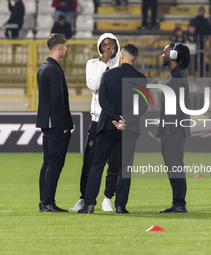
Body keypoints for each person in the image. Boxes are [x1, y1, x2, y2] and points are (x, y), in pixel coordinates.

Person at [78, 44, 148, 214]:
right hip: (129, 129)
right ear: (135, 59)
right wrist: (126, 120)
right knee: (125, 167)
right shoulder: (141, 78)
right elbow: (143, 105)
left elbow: (103, 100)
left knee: (97, 165)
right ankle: (120, 206)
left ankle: (89, 205)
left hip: (107, 126)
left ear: (122, 56)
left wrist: (115, 118)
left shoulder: (108, 75)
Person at [70, 33, 121, 212]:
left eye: (111, 44)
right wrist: (103, 63)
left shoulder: (121, 66)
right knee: (90, 162)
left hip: (114, 121)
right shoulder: (93, 64)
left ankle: (107, 198)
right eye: (104, 45)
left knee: (115, 163)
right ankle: (84, 198)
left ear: (116, 45)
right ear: (99, 47)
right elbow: (93, 85)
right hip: (97, 120)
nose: (108, 48)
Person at [37, 33, 73, 213]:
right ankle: (48, 202)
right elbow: (58, 100)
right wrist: (65, 125)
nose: (66, 49)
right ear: (60, 47)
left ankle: (44, 201)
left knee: (47, 163)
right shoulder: (54, 69)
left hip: (47, 123)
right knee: (55, 164)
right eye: (65, 46)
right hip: (57, 124)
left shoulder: (44, 67)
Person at [158, 42, 190, 213]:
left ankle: (179, 204)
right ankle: (178, 202)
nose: (162, 54)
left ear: (174, 55)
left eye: (165, 52)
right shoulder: (175, 74)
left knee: (175, 164)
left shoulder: (177, 76)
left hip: (174, 129)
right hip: (173, 128)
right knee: (173, 165)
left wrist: (170, 126)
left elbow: (177, 105)